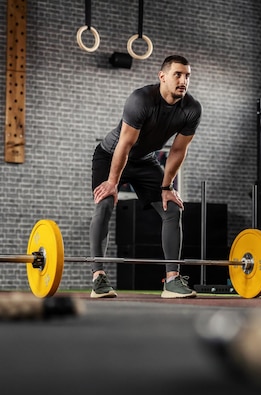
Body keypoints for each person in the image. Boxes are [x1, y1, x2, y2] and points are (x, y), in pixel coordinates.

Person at [89, 55, 202, 299]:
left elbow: (178, 150)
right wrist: (112, 182)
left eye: (187, 76)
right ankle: (98, 277)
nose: (184, 80)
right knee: (105, 203)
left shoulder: (191, 109)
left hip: (145, 161)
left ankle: (172, 280)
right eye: (178, 75)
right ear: (162, 76)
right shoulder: (141, 100)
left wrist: (166, 186)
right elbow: (124, 145)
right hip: (111, 155)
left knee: (172, 207)